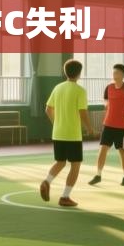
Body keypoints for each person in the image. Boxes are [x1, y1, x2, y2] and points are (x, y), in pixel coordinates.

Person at [40, 59, 93, 208]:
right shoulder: (80, 91)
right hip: (72, 135)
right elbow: (82, 112)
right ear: (79, 73)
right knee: (75, 165)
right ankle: (65, 197)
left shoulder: (57, 88)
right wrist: (89, 128)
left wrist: (56, 123)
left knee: (60, 162)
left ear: (65, 72)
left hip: (58, 133)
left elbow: (48, 109)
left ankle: (47, 181)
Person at [89, 63, 124, 187]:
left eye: (116, 72)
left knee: (122, 151)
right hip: (108, 124)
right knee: (102, 149)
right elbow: (106, 99)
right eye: (113, 72)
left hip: (121, 127)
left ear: (122, 75)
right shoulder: (109, 87)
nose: (114, 74)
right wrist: (106, 104)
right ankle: (98, 175)